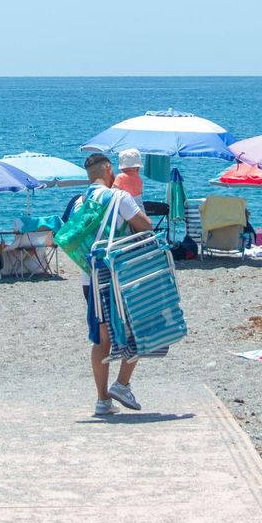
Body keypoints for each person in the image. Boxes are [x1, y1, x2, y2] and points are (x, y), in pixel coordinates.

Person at [78, 152, 155, 416]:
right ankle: (122, 384)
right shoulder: (119, 197)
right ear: (109, 168)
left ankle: (102, 401)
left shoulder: (80, 202)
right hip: (118, 277)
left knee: (102, 339)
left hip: (90, 279)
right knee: (140, 327)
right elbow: (146, 227)